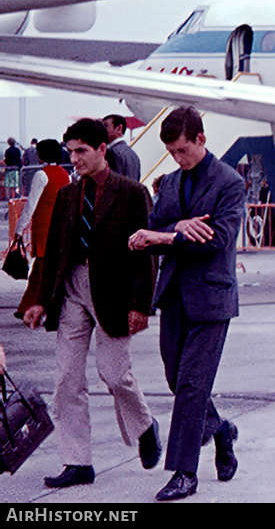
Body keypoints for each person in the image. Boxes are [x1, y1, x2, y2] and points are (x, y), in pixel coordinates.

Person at [19, 118, 160, 490]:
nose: (75, 158)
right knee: (66, 379)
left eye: (81, 151)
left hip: (113, 293)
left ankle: (145, 425)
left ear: (102, 149)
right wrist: (38, 300)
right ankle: (77, 461)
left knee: (113, 373)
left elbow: (146, 256)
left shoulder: (132, 193)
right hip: (72, 292)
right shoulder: (68, 195)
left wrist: (141, 305)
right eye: (70, 152)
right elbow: (53, 253)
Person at [128, 106, 244, 502]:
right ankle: (222, 431)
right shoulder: (172, 183)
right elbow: (155, 223)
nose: (178, 158)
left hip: (212, 297)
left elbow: (215, 240)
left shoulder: (229, 183)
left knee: (193, 384)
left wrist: (161, 237)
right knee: (178, 380)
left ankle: (183, 472)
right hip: (174, 294)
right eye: (172, 153)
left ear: (200, 140)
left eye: (182, 150)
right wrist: (173, 228)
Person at [14, 139, 66, 259]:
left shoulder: (41, 175)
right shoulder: (64, 174)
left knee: (42, 263)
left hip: (44, 223)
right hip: (59, 222)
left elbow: (31, 204)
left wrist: (20, 228)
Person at [103, 115, 141, 184]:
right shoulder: (133, 154)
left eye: (106, 126)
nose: (102, 130)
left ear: (119, 128)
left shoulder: (114, 152)